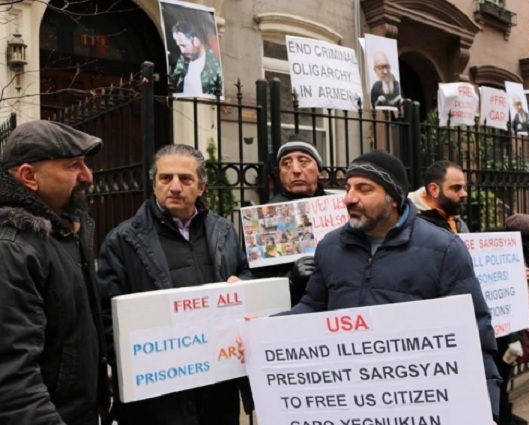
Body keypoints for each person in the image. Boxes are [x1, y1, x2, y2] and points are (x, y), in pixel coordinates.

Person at [273, 150, 501, 422]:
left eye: (363, 188)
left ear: (392, 197)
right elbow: (312, 306)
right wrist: (263, 330)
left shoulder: (444, 250)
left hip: (416, 406)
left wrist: (489, 409)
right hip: (349, 403)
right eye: (348, 188)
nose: (349, 198)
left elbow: (475, 333)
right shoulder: (330, 248)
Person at [97, 144, 253, 425]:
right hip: (159, 400)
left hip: (218, 389)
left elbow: (246, 275)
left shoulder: (224, 232)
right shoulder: (122, 241)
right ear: (154, 184)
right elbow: (107, 319)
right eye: (166, 178)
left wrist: (242, 284)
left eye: (186, 179)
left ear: (202, 187)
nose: (175, 187)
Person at [0, 120, 108, 424]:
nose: (88, 175)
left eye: (85, 163)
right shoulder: (12, 248)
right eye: (73, 165)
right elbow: (13, 380)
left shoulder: (65, 232)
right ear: (28, 176)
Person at [253, 134, 328, 305]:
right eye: (286, 164)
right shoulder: (264, 218)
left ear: (319, 169)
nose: (295, 170)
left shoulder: (340, 207)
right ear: (279, 173)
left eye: (303, 161)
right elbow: (258, 284)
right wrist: (291, 279)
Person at [493, 213, 529, 425]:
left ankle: (503, 412)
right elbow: (502, 299)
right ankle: (500, 415)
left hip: (513, 326)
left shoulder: (518, 252)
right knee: (499, 376)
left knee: (504, 375)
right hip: (501, 331)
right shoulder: (499, 253)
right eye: (528, 240)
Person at [408, 160, 469, 233]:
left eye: (463, 188)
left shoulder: (456, 220)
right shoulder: (411, 224)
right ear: (434, 189)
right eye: (456, 188)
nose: (464, 193)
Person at [171, 21, 222, 96]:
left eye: (184, 45)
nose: (182, 50)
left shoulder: (213, 61)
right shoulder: (182, 60)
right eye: (179, 46)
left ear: (196, 41)